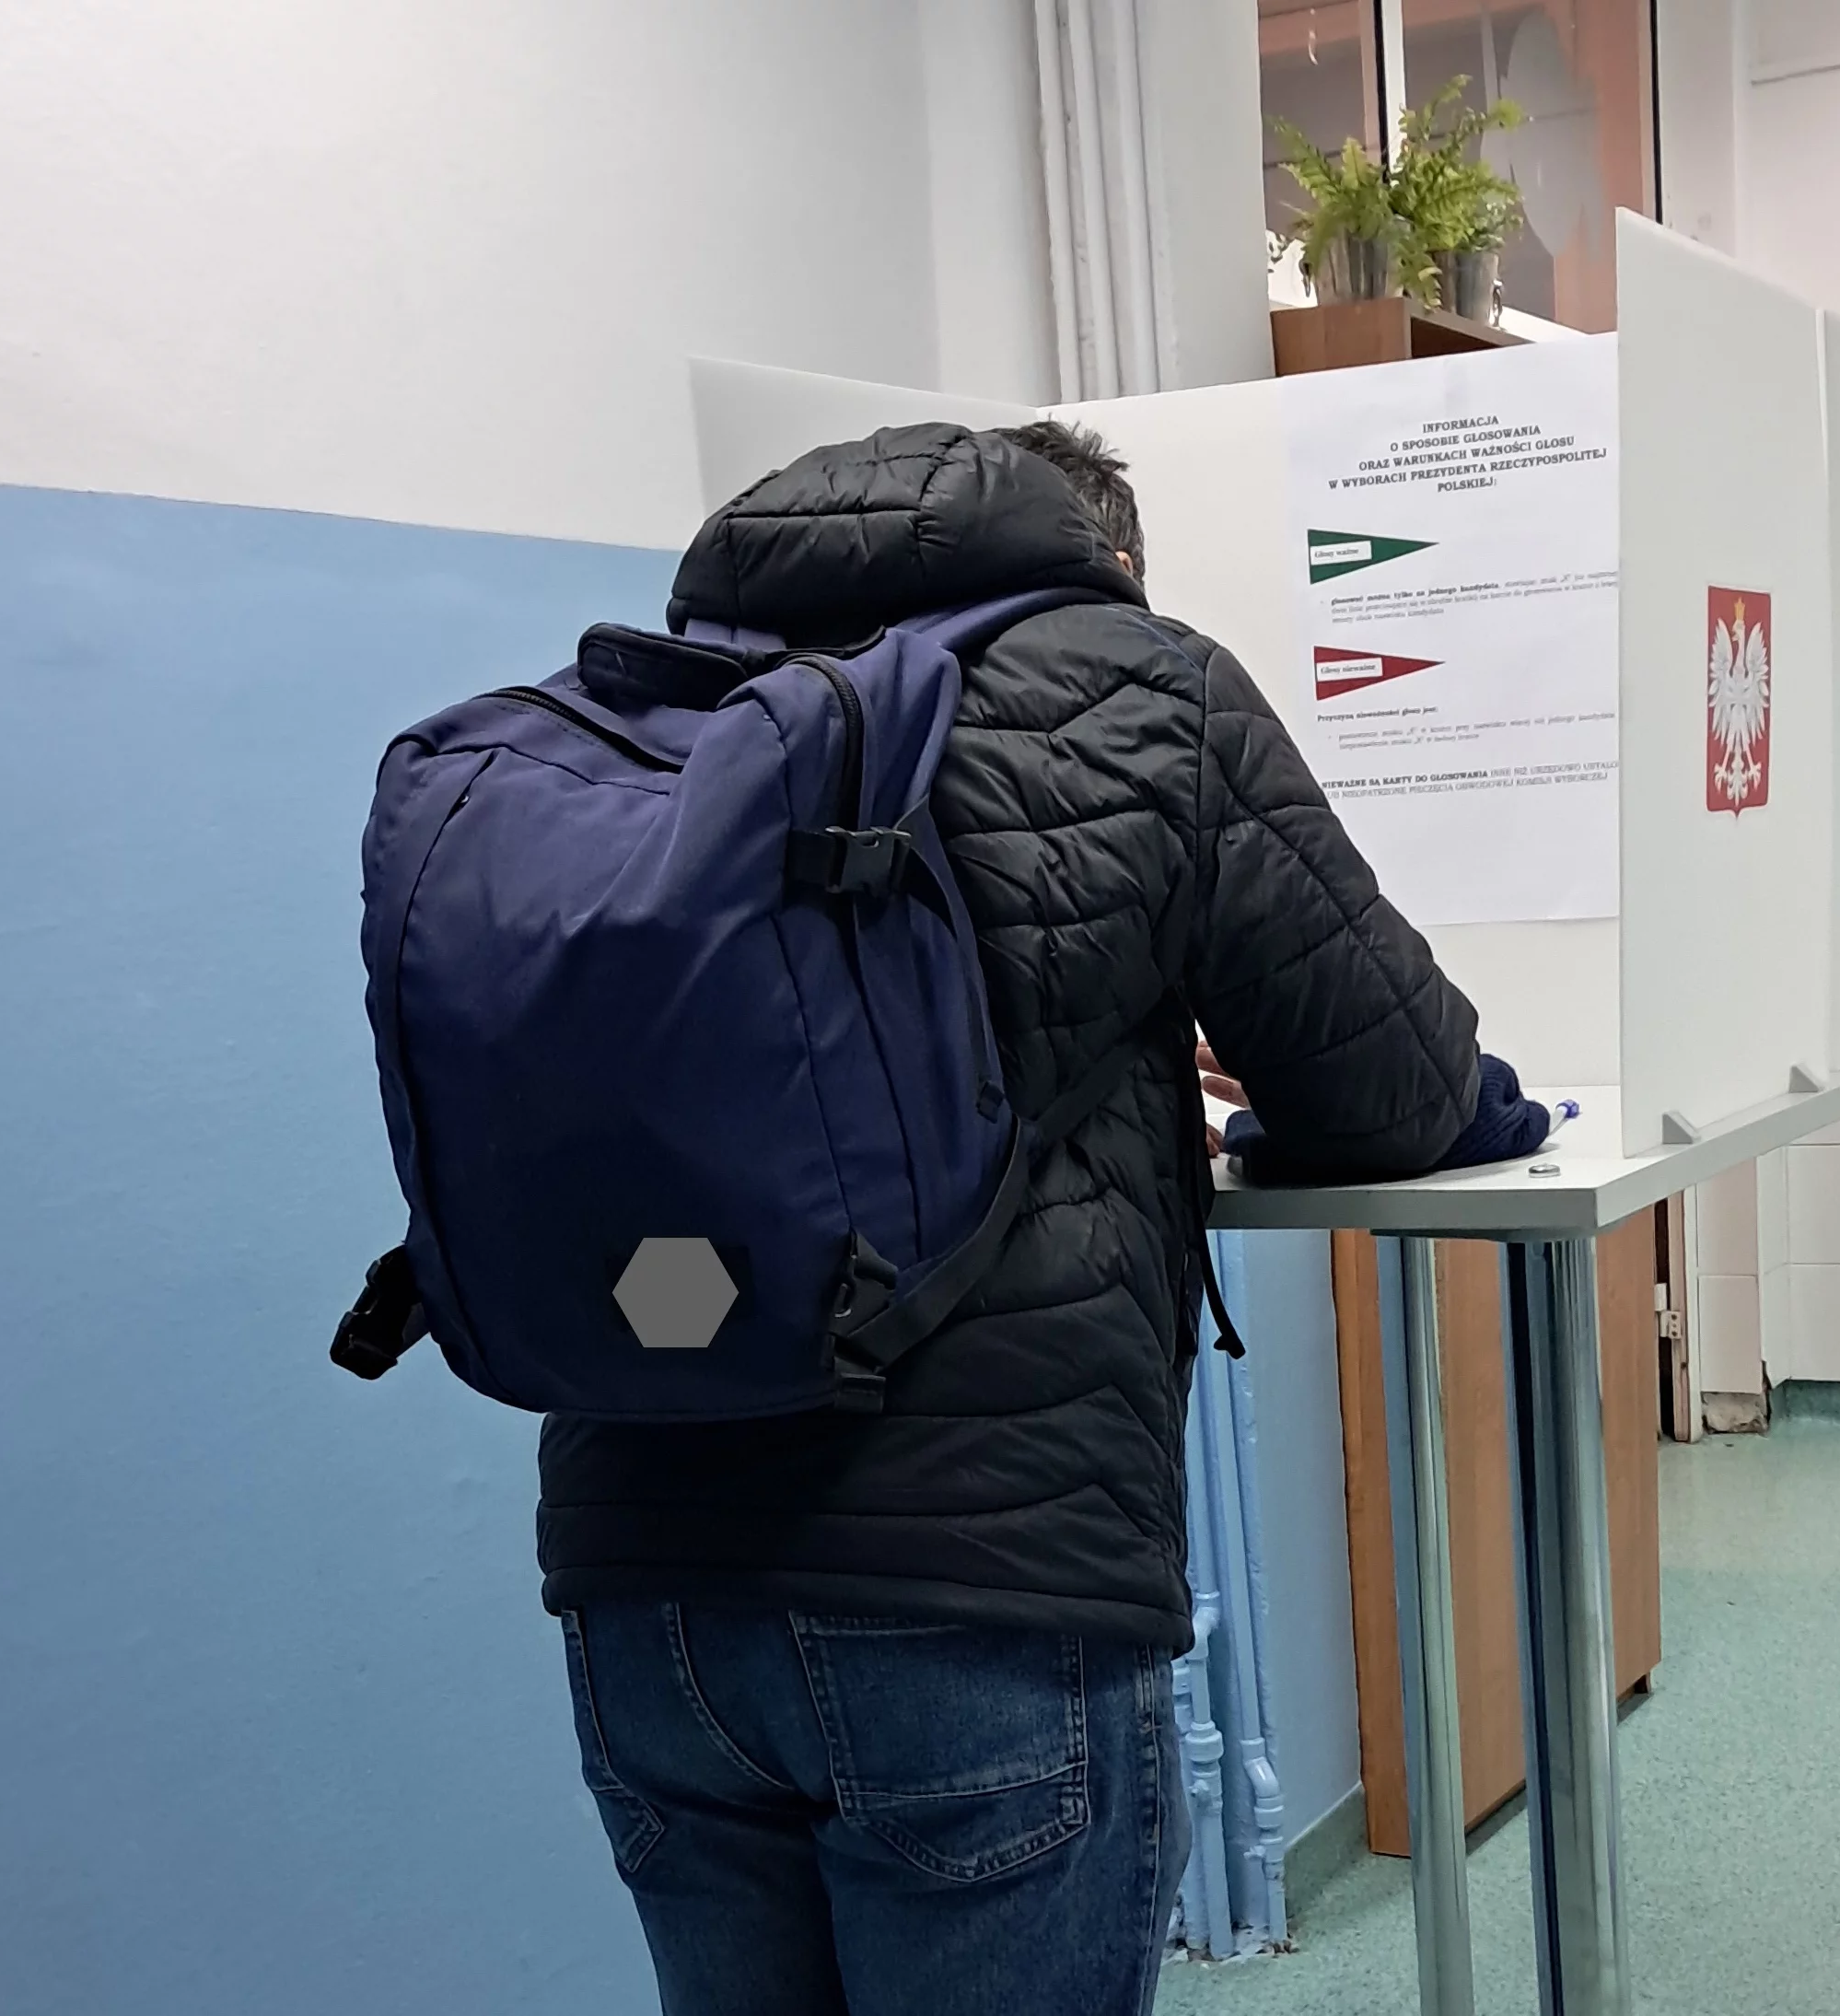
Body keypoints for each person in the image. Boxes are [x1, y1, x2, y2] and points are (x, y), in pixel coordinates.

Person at [539, 418, 1481, 2015]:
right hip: (981, 1588)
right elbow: (1397, 1091)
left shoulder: (655, 705)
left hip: (643, 1579)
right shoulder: (1146, 686)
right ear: (1103, 557)